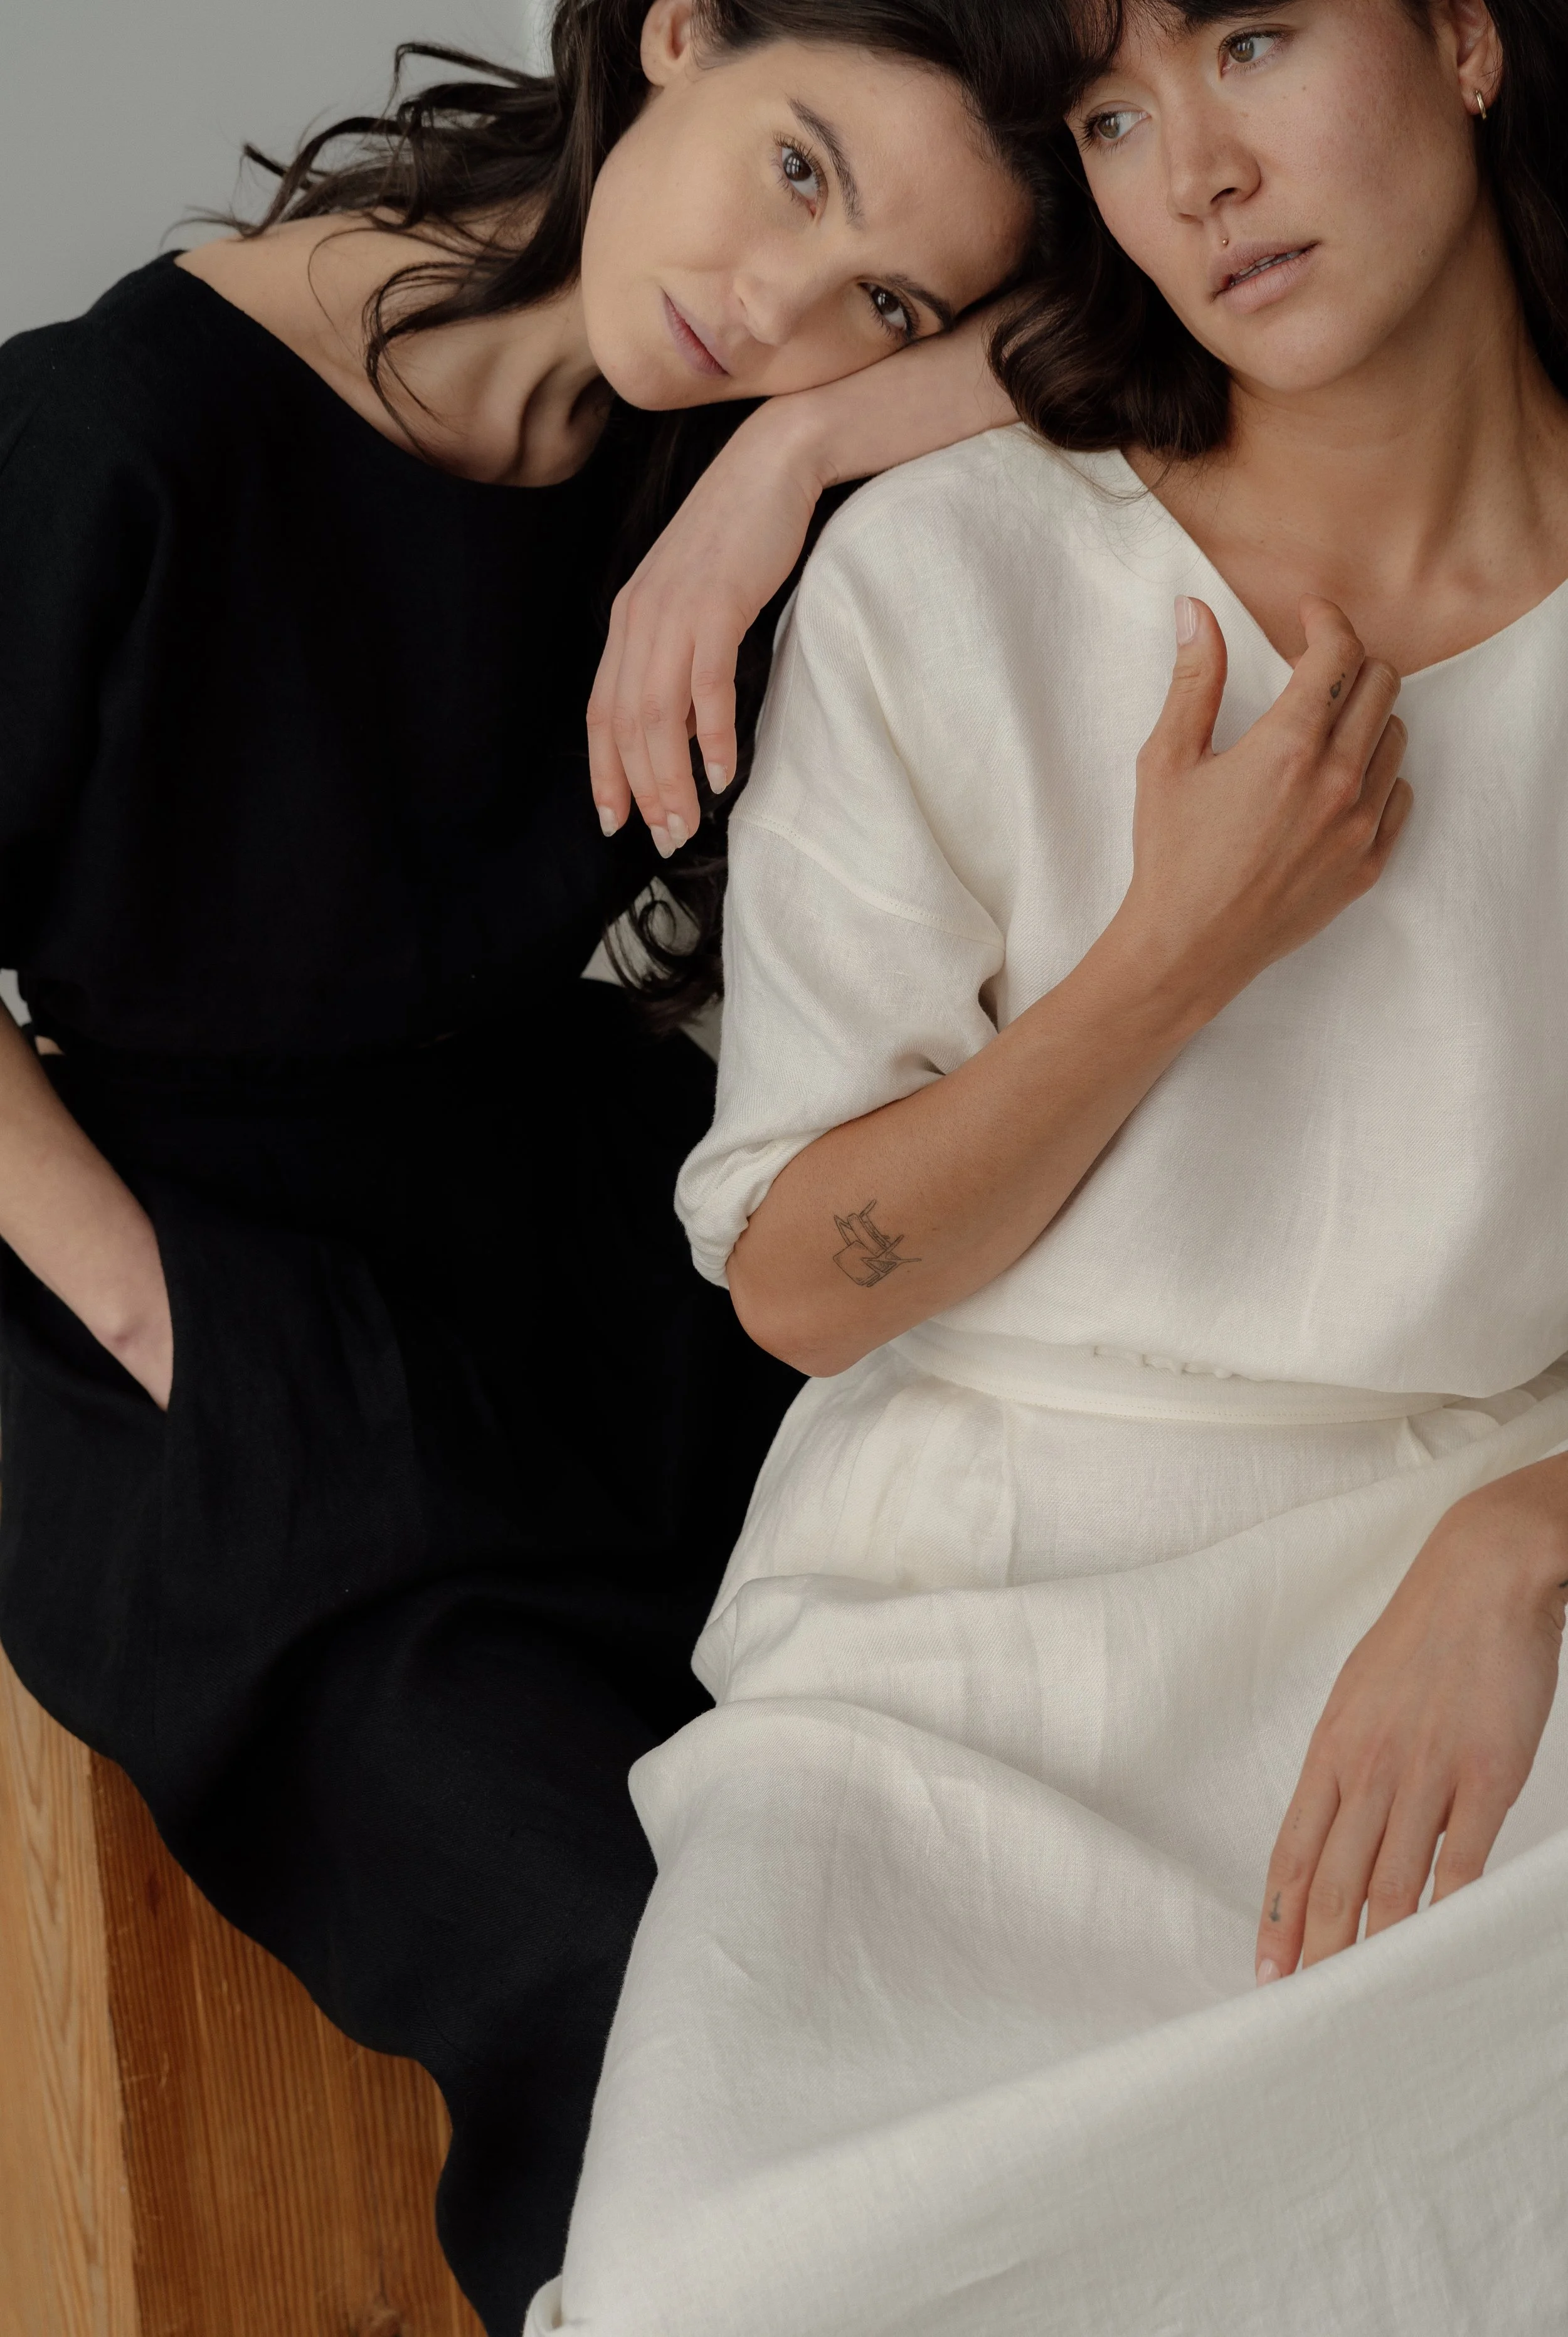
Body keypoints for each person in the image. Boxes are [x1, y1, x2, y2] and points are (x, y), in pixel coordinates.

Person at [0, 4, 1073, 2328]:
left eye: (888, 298)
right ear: (672, 32)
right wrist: (154, 1315)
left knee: (989, 1842)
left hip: (568, 1231)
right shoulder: (119, 429)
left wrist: (788, 463)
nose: (781, 308)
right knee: (632, 1977)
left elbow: (1164, 329)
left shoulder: (697, 433)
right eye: (795, 169)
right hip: (185, 1295)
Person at [546, 0, 1568, 2329]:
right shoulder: (959, 577)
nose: (1190, 169)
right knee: (733, 2284)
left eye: (1253, 42)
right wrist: (1174, 952)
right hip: (962, 1657)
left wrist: (1526, 1534)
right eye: (1111, 116)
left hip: (1472, 1631)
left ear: (1465, 39)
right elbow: (806, 1284)